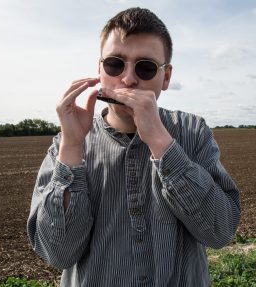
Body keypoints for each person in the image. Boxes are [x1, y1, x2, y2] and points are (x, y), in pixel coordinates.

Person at [27, 7, 241, 287]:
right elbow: (58, 253)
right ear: (100, 70)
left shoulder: (192, 132)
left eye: (146, 67)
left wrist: (161, 142)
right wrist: (72, 148)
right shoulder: (66, 143)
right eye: (115, 64)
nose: (128, 79)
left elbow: (220, 231)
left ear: (165, 77)